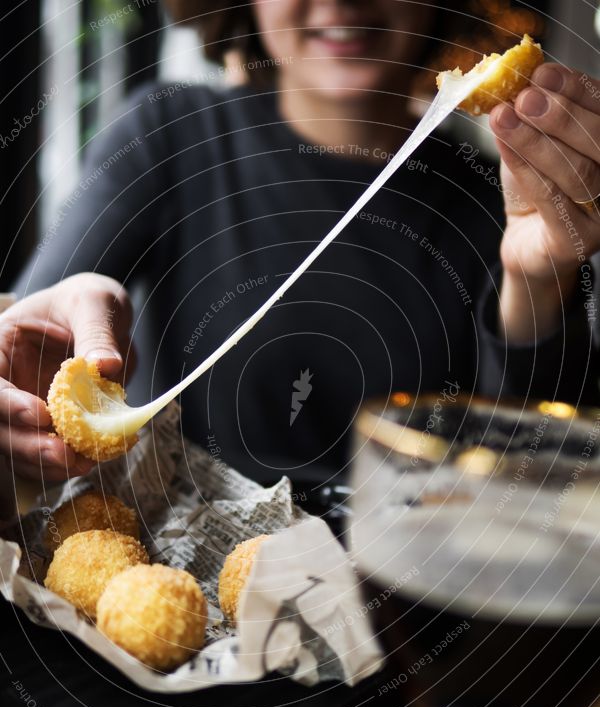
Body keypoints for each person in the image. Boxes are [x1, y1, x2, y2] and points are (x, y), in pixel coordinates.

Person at [3, 0, 600, 487]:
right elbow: (24, 343)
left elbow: (526, 482)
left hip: (400, 609)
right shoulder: (171, 133)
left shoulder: (501, 195)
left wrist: (539, 280)